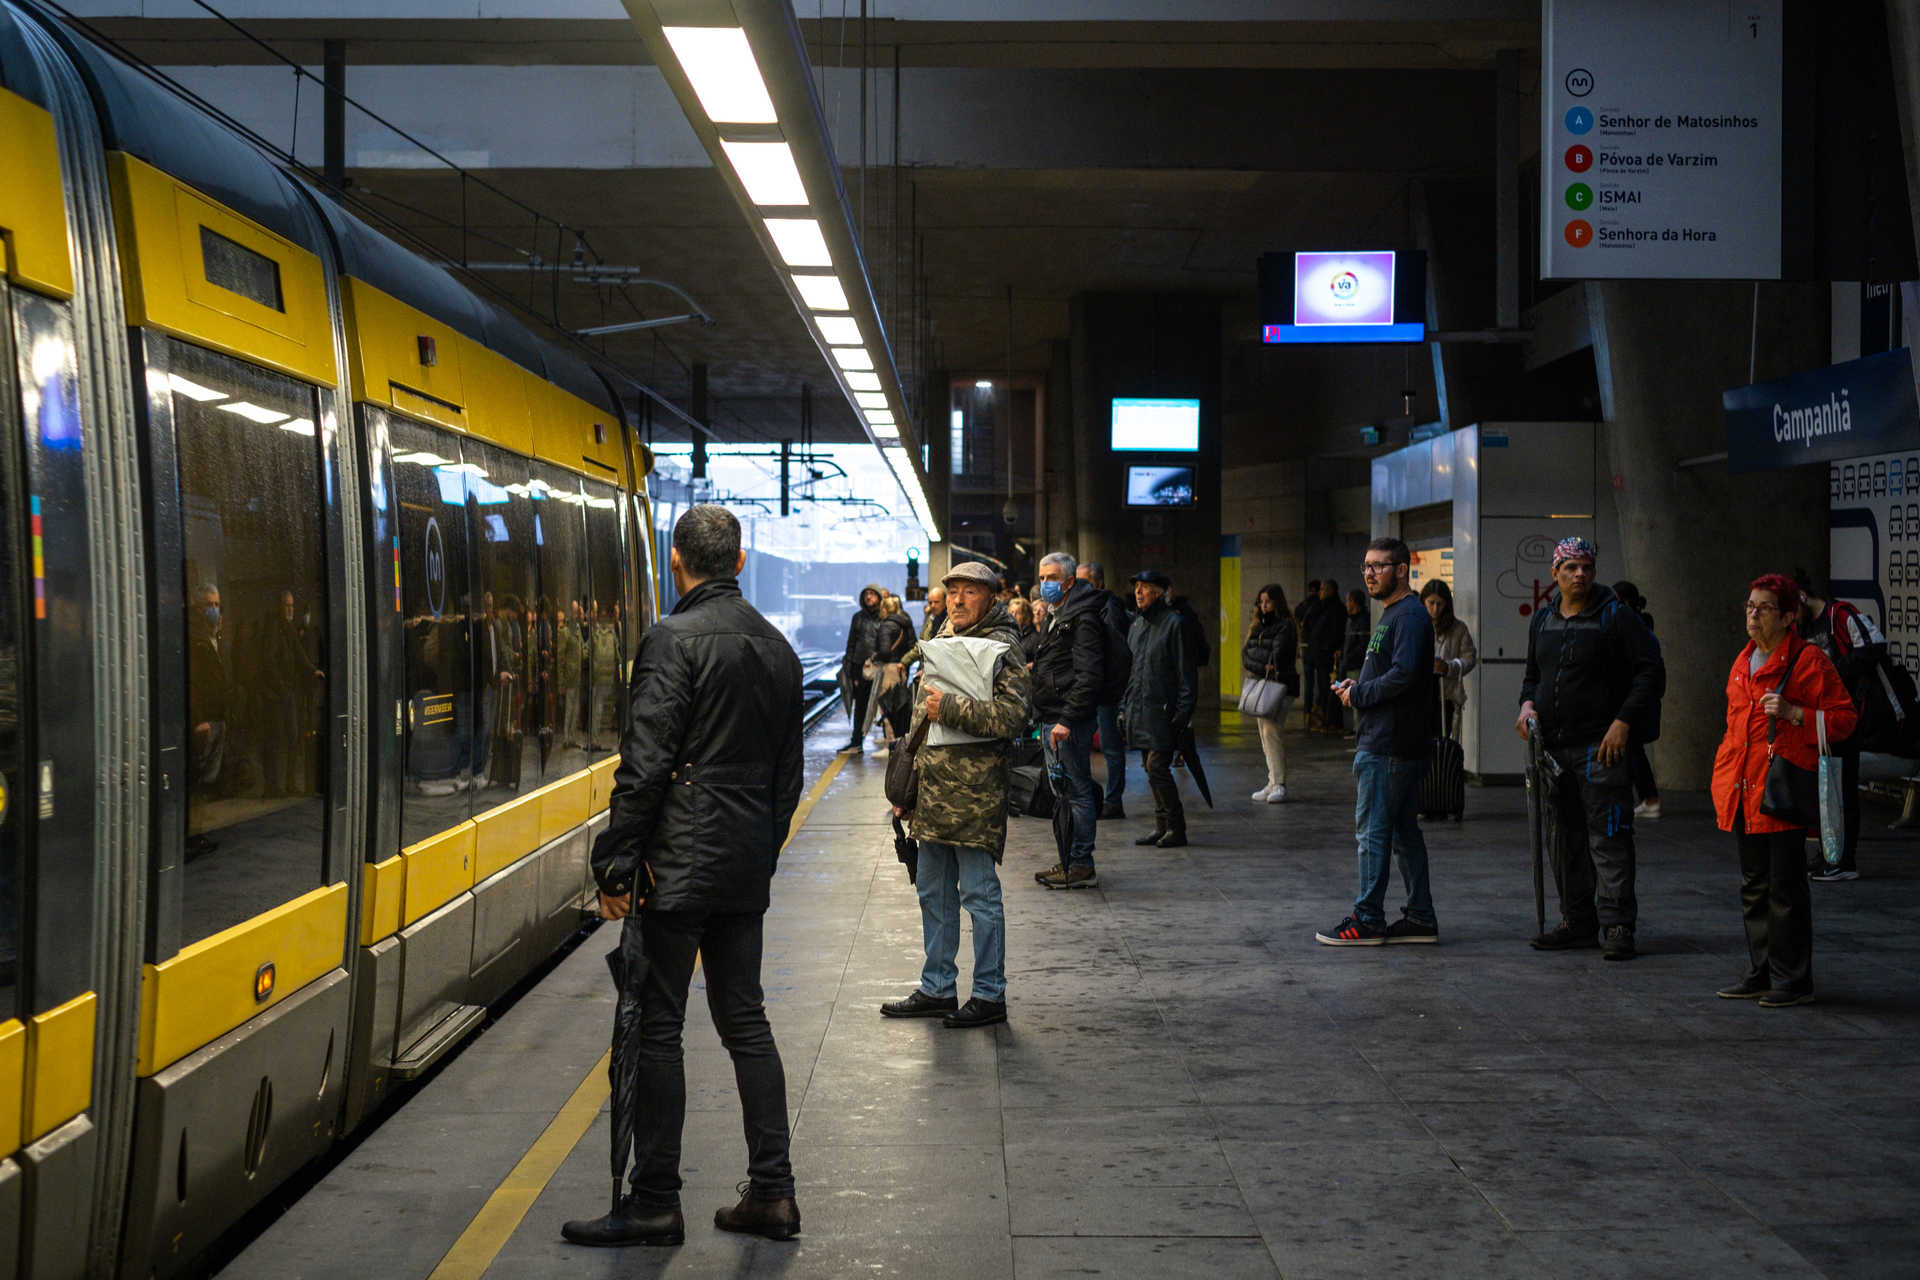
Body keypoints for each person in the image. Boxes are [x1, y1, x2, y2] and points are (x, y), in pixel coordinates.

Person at [570, 505, 806, 1247]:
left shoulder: (672, 641)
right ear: (737, 561)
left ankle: (654, 1202)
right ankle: (771, 1192)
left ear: (678, 561)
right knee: (746, 1021)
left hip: (675, 866)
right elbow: (788, 778)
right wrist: (756, 855)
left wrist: (613, 859)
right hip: (742, 866)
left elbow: (644, 766)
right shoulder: (776, 647)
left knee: (657, 1027)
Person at [880, 561, 1030, 1029]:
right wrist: (908, 783)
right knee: (932, 891)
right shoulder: (942, 634)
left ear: (990, 597)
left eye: (969, 592)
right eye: (953, 592)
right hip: (933, 792)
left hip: (974, 796)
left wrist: (951, 707)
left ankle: (989, 994)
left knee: (979, 897)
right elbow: (922, 719)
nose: (959, 600)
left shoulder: (1002, 647)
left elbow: (1013, 717)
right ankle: (938, 987)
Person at [1710, 573, 1855, 1007]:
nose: (1753, 614)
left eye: (1764, 608)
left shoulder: (1809, 661)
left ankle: (1792, 979)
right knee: (1753, 885)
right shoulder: (1743, 660)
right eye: (1750, 606)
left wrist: (1795, 713)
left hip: (1781, 788)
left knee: (1785, 889)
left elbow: (1845, 719)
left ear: (1790, 616)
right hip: (1742, 789)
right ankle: (1761, 971)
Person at [1516, 538, 1664, 961]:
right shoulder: (1542, 620)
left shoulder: (1616, 617)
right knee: (1563, 839)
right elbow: (1532, 677)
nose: (1580, 574)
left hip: (1601, 749)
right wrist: (1527, 705)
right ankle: (1577, 921)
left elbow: (1650, 671)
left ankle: (1617, 924)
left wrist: (1623, 723)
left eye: (1586, 567)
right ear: (1555, 573)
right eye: (1571, 568)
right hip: (1553, 752)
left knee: (1609, 836)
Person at [1315, 539, 1440, 946]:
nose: (1369, 573)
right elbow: (1393, 672)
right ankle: (1420, 917)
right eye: (1366, 566)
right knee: (1403, 833)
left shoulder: (1409, 616)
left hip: (1389, 745)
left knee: (1372, 833)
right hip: (1389, 742)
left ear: (1401, 569)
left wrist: (1361, 695)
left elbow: (1404, 676)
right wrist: (1361, 683)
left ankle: (1367, 918)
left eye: (1379, 566)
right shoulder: (1395, 615)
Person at [1798, 578, 1887, 881]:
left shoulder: (1840, 615)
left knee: (1843, 787)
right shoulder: (1804, 628)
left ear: (1801, 596)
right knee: (1826, 785)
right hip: (1821, 716)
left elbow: (1874, 646)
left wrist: (1833, 674)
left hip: (1847, 713)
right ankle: (1829, 852)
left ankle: (1843, 859)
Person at [1031, 552, 1107, 890]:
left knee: (1076, 792)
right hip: (1053, 716)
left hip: (1067, 722)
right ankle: (1070, 859)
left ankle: (1080, 863)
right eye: (1042, 578)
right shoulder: (1059, 614)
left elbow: (1089, 675)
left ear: (1069, 581)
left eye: (1052, 578)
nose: (1045, 584)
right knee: (1065, 792)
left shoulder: (1082, 617)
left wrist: (1066, 719)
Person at [1121, 570, 1197, 848]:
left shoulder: (1175, 624)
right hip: (1141, 709)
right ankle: (1162, 825)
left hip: (1164, 711)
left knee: (1157, 766)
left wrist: (1182, 714)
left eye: (1145, 588)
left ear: (1160, 592)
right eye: (1137, 587)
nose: (1139, 592)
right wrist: (1124, 707)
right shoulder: (1138, 625)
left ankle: (1177, 827)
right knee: (1148, 766)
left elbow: (1186, 674)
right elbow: (1132, 671)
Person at [1076, 561, 1132, 820]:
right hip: (1091, 688)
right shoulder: (1089, 607)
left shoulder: (1109, 608)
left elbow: (1113, 652)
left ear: (1098, 583)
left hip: (1105, 691)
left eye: (1084, 581)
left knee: (1111, 746)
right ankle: (1098, 799)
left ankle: (1113, 801)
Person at [1611, 581, 1665, 821]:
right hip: (1640, 700)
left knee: (1631, 750)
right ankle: (1646, 798)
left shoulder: (1634, 628)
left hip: (1634, 700)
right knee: (1632, 750)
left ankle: (1649, 798)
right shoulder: (1643, 627)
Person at [1241, 584, 1298, 803]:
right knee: (1264, 734)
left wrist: (1261, 659)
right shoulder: (1258, 626)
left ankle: (1279, 784)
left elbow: (1278, 656)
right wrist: (1262, 663)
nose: (1263, 606)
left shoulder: (1285, 626)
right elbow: (1246, 654)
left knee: (1272, 732)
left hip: (1279, 685)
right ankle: (1272, 781)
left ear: (1277, 602)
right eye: (1261, 601)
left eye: (1268, 601)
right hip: (1263, 683)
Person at [1420, 580, 1477, 741]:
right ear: (1424, 601)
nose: (1435, 609)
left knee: (1442, 741)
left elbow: (1470, 658)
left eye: (1440, 604)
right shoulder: (1416, 624)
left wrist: (1449, 667)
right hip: (1420, 694)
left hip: (1446, 697)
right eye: (1431, 603)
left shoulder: (1458, 628)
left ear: (1447, 604)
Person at [840, 585, 885, 753]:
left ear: (879, 597)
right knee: (860, 705)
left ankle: (890, 741)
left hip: (880, 666)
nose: (869, 597)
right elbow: (851, 642)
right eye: (866, 594)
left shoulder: (884, 617)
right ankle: (856, 742)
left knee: (885, 705)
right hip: (860, 667)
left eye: (872, 594)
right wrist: (850, 667)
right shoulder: (857, 618)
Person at [873, 594, 916, 743]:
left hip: (889, 669)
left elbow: (885, 651)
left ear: (884, 609)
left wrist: (875, 657)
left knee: (888, 707)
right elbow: (913, 645)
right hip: (900, 668)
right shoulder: (904, 623)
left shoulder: (886, 625)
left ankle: (890, 743)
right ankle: (899, 741)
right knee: (899, 707)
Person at [1307, 579, 1346, 732]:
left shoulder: (1336, 610)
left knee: (1333, 688)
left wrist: (1331, 648)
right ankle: (1325, 719)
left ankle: (1333, 720)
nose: (1320, 592)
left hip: (1330, 657)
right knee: (1323, 688)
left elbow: (1335, 632)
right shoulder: (1320, 608)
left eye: (1323, 589)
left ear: (1331, 590)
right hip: (1320, 657)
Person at [1334, 588, 1370, 736]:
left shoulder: (1362, 621)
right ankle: (1352, 727)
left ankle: (1358, 729)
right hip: (1348, 663)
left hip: (1356, 663)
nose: (1346, 603)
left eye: (1349, 600)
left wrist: (1348, 657)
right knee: (1346, 695)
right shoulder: (1350, 620)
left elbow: (1362, 644)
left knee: (1355, 696)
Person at [1297, 580, 1327, 729]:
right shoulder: (1320, 606)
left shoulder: (1304, 606)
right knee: (1321, 683)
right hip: (1318, 649)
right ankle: (1319, 713)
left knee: (1309, 683)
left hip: (1307, 648)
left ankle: (1308, 713)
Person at [1009, 598, 1040, 665]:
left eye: (1018, 613)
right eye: (1011, 612)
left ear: (1026, 616)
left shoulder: (1034, 638)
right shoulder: (1008, 634)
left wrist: (1025, 668)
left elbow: (1039, 663)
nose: (1013, 616)